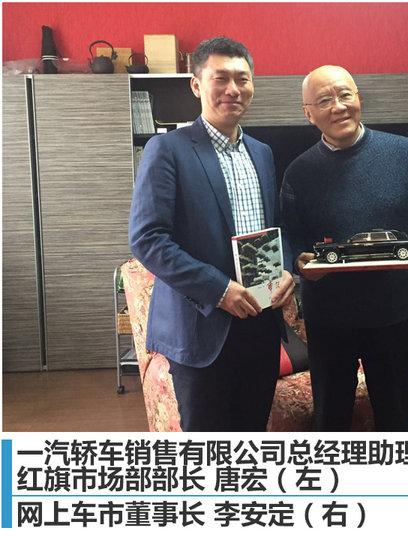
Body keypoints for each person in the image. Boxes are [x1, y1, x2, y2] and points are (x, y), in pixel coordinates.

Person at [281, 65, 408, 432]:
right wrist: (297, 258)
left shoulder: (407, 153)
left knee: (395, 418)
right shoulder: (298, 172)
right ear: (309, 113)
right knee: (330, 420)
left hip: (394, 314)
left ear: (359, 98)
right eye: (324, 100)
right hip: (329, 320)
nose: (339, 107)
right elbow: (289, 234)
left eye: (345, 94)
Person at [129, 37, 294, 432]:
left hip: (260, 321)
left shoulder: (262, 152)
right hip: (201, 326)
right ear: (196, 84)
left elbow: (275, 225)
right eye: (221, 78)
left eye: (243, 79)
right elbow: (148, 238)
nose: (233, 89)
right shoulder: (167, 149)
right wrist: (219, 290)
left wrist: (286, 269)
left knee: (251, 436)